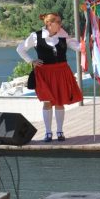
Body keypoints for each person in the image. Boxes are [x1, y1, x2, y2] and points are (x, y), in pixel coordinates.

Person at [17, 12, 82, 142]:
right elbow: (20, 49)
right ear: (49, 23)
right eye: (58, 22)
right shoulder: (36, 36)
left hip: (61, 72)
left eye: (60, 22)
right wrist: (31, 61)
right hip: (44, 73)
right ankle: (47, 132)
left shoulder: (63, 35)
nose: (60, 24)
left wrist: (91, 42)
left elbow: (79, 47)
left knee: (59, 101)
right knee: (47, 102)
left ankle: (60, 131)